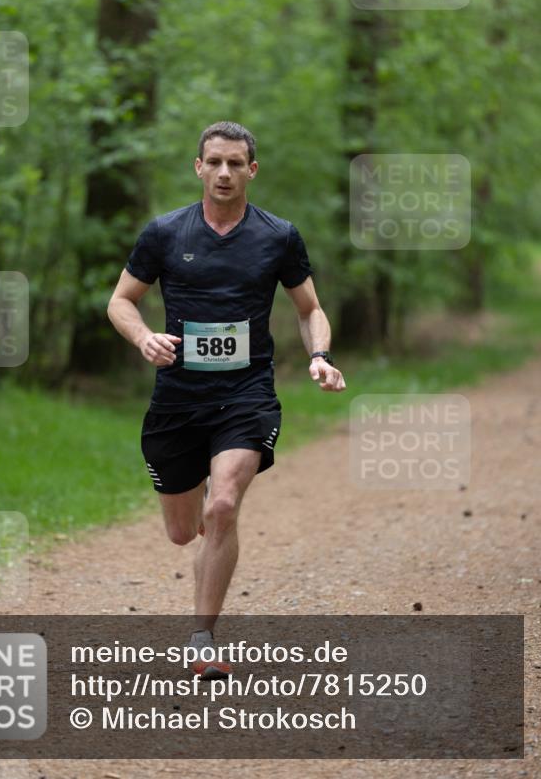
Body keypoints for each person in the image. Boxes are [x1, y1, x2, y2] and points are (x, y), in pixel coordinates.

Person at [107, 121, 346, 677]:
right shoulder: (164, 233)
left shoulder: (278, 236)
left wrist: (320, 356)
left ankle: (202, 638)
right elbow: (121, 301)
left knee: (223, 506)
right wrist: (144, 336)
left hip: (247, 393)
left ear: (251, 170)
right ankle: (203, 533)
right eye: (214, 162)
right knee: (180, 530)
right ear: (198, 167)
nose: (223, 172)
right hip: (178, 398)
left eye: (235, 163)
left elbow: (309, 309)